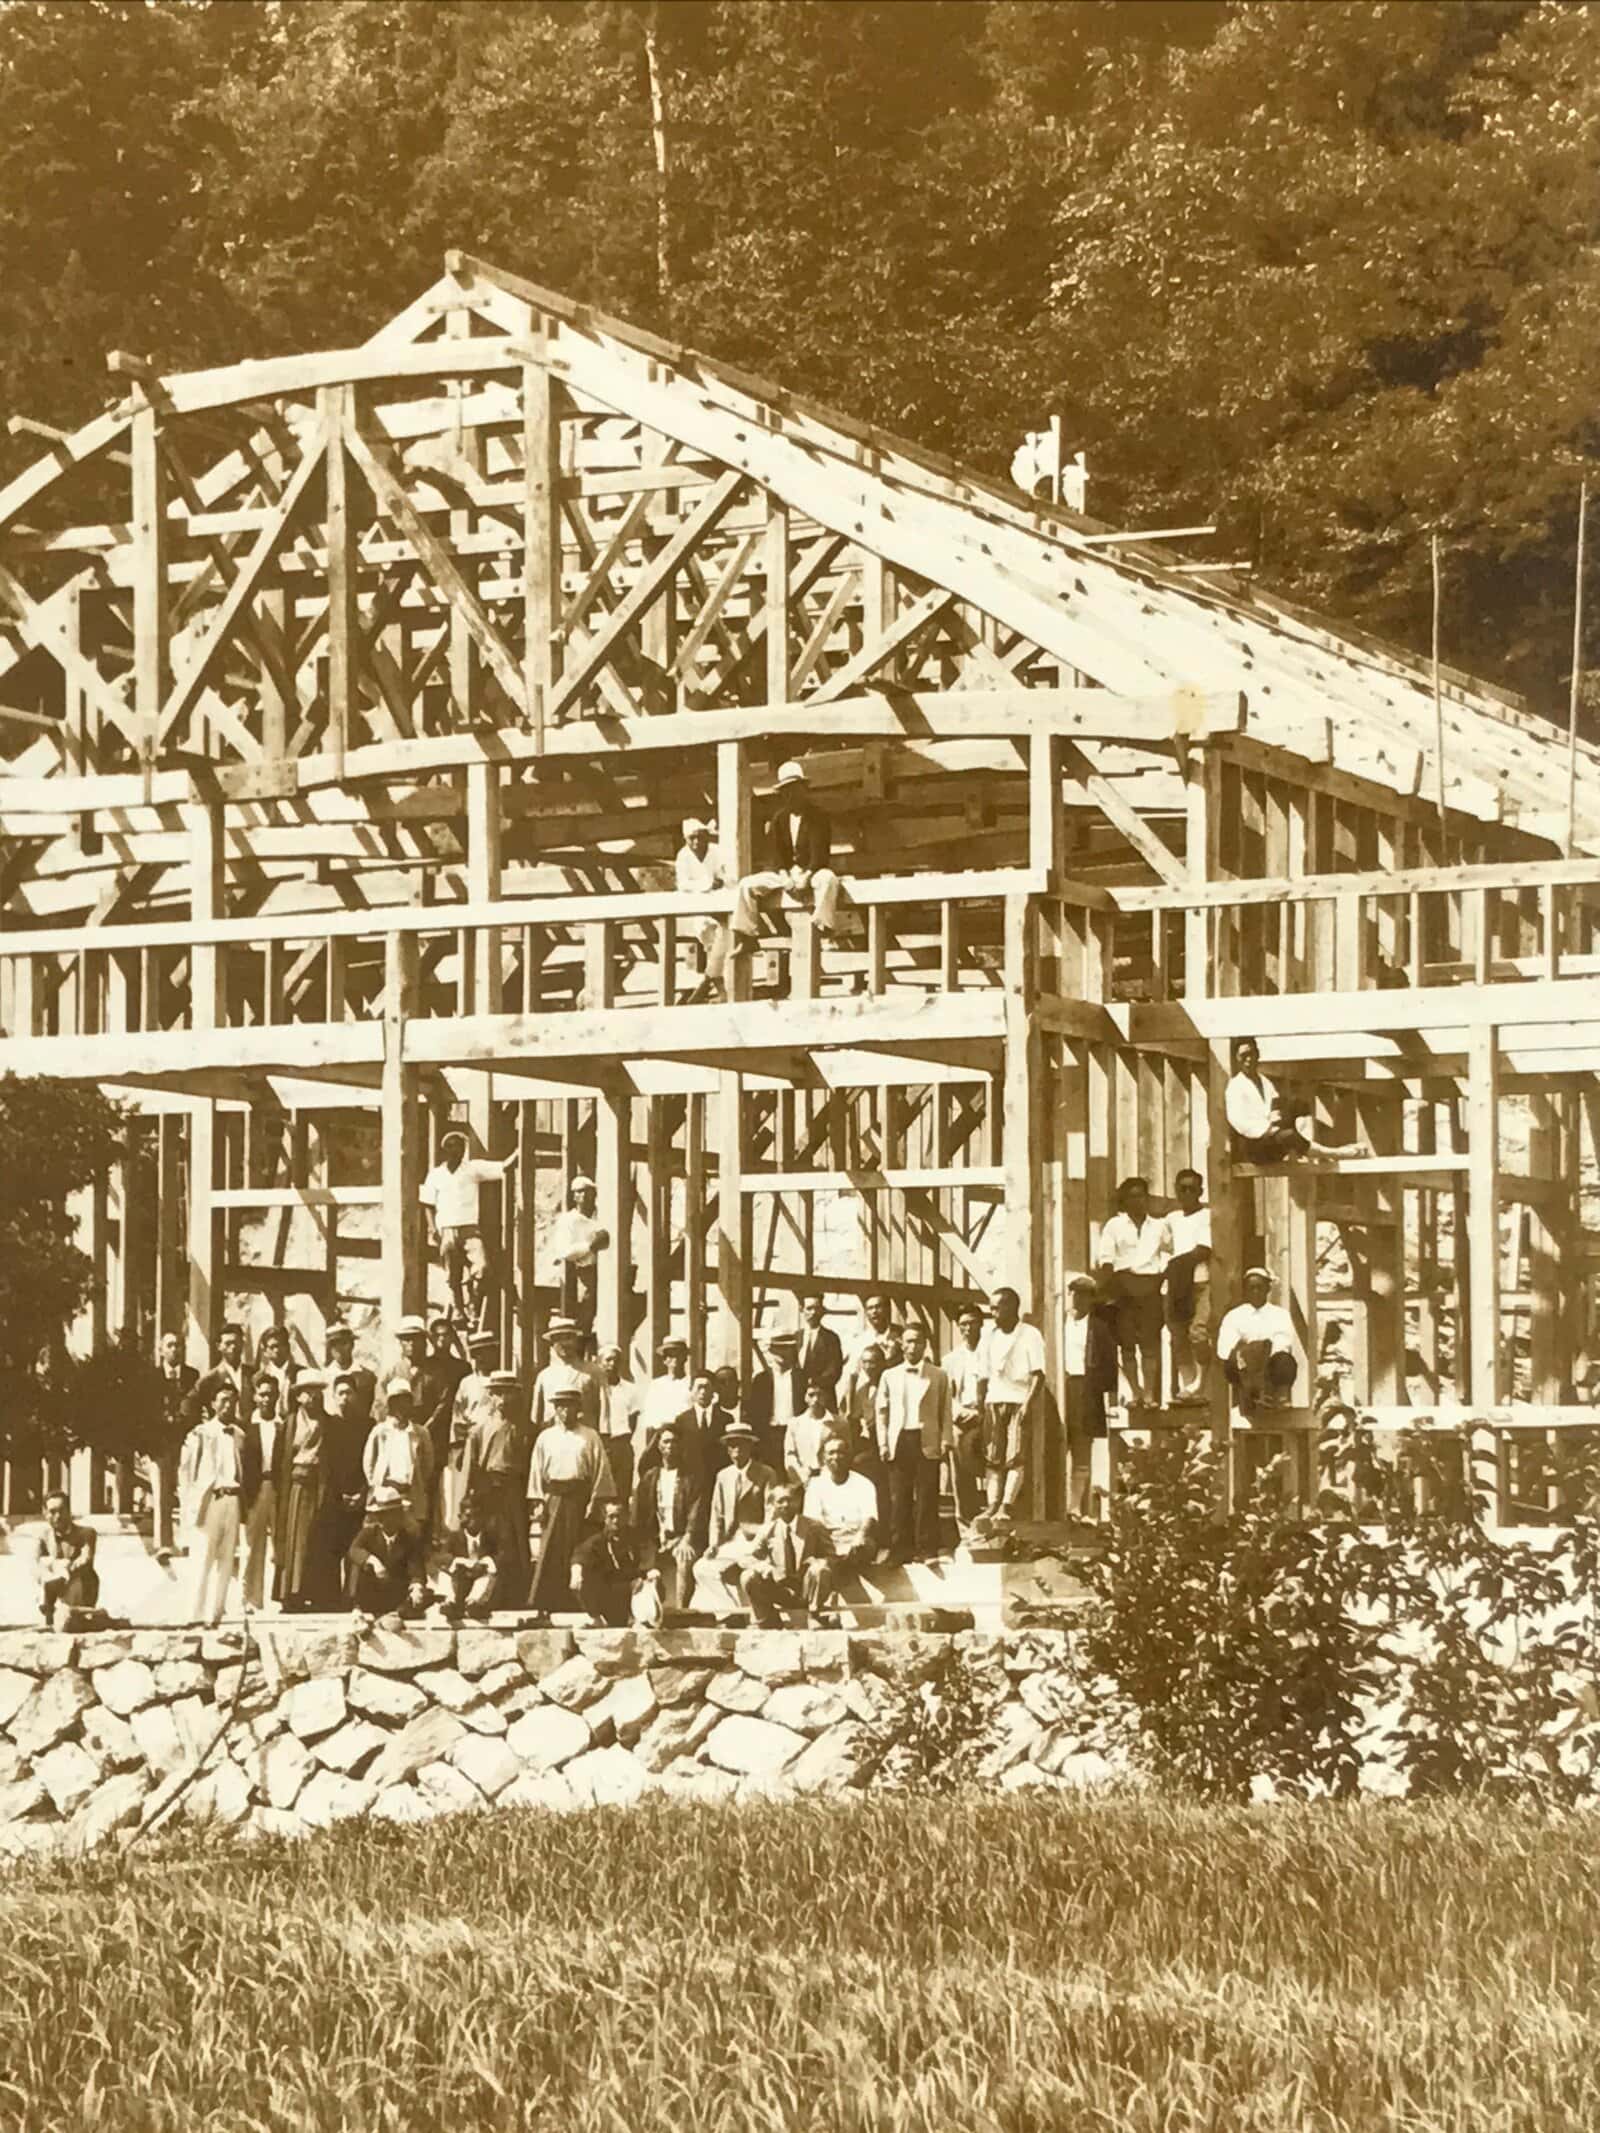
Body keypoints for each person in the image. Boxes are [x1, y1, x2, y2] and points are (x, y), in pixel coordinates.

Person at [728, 759, 843, 957]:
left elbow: (820, 855)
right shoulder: (779, 819)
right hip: (786, 875)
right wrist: (785, 878)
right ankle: (747, 937)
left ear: (803, 790)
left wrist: (806, 877)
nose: (790, 796)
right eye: (786, 791)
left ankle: (823, 929)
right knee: (746, 885)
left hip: (811, 872)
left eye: (794, 790)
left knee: (829, 879)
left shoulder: (818, 816)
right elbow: (775, 856)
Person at [527, 1383, 614, 1612]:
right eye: (561, 1406)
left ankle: (579, 1602)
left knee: (579, 1548)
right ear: (555, 1409)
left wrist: (595, 1502)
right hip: (554, 1499)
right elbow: (536, 1471)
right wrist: (538, 1501)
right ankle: (549, 1603)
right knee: (552, 1550)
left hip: (580, 1500)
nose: (565, 1411)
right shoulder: (545, 1437)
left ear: (578, 1408)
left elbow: (601, 1471)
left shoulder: (590, 1436)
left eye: (570, 1406)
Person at [420, 1127, 517, 1323]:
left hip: (470, 1229)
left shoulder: (472, 1169)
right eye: (452, 1146)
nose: (457, 1150)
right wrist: (432, 1228)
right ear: (445, 1149)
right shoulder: (435, 1175)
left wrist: (519, 1150)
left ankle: (473, 1303)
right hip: (446, 1230)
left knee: (482, 1268)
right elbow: (427, 1204)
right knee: (452, 1275)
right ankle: (458, 1310)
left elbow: (504, 1167)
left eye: (461, 1146)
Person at [1095, 1175, 1174, 1410]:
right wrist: (1111, 1288)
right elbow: (1106, 1258)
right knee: (1127, 1344)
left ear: (1146, 1198)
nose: (1136, 1201)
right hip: (1124, 1286)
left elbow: (1170, 1251)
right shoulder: (1114, 1225)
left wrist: (1162, 1276)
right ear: (1124, 1200)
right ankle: (1135, 1392)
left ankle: (1149, 1394)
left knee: (1149, 1344)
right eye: (1131, 1197)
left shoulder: (1159, 1226)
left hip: (1150, 1286)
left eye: (1140, 1196)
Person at [876, 1321, 952, 1563]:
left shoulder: (938, 1375)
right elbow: (882, 1412)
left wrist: (946, 1439)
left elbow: (945, 1411)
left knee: (927, 1496)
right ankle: (900, 1549)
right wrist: (883, 1443)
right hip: (899, 1440)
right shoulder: (889, 1375)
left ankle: (926, 1549)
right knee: (900, 1496)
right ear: (901, 1344)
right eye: (908, 1341)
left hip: (926, 1439)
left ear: (925, 1344)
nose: (912, 1346)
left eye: (917, 1341)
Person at [180, 1379, 250, 1626]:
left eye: (232, 1401)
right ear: (212, 1404)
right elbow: (186, 1472)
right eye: (223, 1400)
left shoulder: (240, 1434)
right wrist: (190, 1506)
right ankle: (194, 1614)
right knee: (203, 1556)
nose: (228, 1405)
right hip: (211, 1500)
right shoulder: (200, 1433)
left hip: (233, 1500)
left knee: (227, 1559)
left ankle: (214, 1614)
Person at [459, 1370, 533, 1605]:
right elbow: (471, 1467)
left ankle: (518, 1595)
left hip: (516, 1489)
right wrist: (467, 1497)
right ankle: (487, 1594)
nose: (503, 1399)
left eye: (508, 1393)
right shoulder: (480, 1429)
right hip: (488, 1490)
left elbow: (532, 1466)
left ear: (516, 1395)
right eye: (497, 1393)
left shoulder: (526, 1428)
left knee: (517, 1540)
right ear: (490, 1396)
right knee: (491, 1540)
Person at [978, 1287, 1046, 1522]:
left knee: (1015, 1456)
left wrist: (1028, 1404)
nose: (993, 1313)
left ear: (1011, 1307)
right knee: (992, 1456)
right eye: (991, 1308)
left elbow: (1038, 1374)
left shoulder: (1030, 1334)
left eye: (997, 1308)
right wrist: (981, 1405)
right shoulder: (989, 1336)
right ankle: (992, 1505)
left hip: (1018, 1400)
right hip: (993, 1401)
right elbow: (982, 1375)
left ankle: (1006, 1506)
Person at [630, 1420, 708, 1618]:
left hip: (682, 1537)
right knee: (646, 1566)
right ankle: (649, 1614)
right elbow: (640, 1514)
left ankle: (681, 1611)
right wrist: (644, 1542)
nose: (670, 1446)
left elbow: (696, 1512)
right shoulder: (650, 1477)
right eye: (665, 1442)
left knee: (684, 1559)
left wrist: (687, 1539)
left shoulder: (691, 1478)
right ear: (659, 1445)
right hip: (656, 1539)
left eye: (674, 1441)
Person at [800, 1434, 880, 1625]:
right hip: (829, 1540)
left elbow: (869, 1517)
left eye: (841, 1453)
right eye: (831, 1453)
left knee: (856, 1551)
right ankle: (822, 1610)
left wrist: (859, 1536)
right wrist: (830, 1546)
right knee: (821, 1566)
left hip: (857, 1538)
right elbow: (813, 1522)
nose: (836, 1457)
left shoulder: (863, 1483)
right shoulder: (816, 1486)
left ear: (850, 1456)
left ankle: (832, 1599)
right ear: (823, 1458)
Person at [706, 1421, 781, 1608]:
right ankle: (730, 1611)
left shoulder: (766, 1474)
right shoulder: (723, 1476)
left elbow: (772, 1515)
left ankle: (745, 1610)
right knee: (701, 1569)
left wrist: (759, 1543)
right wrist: (713, 1544)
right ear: (727, 1449)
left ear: (750, 1446)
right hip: (729, 1542)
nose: (736, 1449)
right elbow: (716, 1515)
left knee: (745, 1570)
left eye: (741, 1444)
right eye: (731, 1445)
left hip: (755, 1542)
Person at [1062, 1273, 1118, 1520]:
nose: (1079, 1299)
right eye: (1075, 1293)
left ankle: (1074, 1506)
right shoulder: (1059, 1324)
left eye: (1084, 1295)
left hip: (1086, 1388)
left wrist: (1108, 1396)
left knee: (1082, 1447)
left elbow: (1109, 1365)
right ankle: (1057, 1504)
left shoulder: (1099, 1328)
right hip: (1061, 1385)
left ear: (1091, 1299)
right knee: (1057, 1443)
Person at [273, 1372, 328, 1612]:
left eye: (317, 1392)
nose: (313, 1397)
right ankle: (291, 1594)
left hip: (319, 1485)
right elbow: (279, 1459)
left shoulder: (327, 1423)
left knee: (316, 1539)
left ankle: (314, 1593)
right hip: (295, 1485)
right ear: (298, 1396)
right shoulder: (290, 1423)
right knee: (295, 1540)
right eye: (308, 1392)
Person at [1216, 1267, 1299, 1413]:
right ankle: (1251, 1397)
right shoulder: (1234, 1315)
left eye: (1260, 1288)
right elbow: (1225, 1348)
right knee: (1242, 1358)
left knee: (1285, 1360)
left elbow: (1282, 1343)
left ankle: (1278, 1398)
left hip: (1269, 1364)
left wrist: (1262, 1353)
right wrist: (1250, 1352)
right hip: (1242, 1365)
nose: (1256, 1292)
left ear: (1268, 1289)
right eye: (1251, 1288)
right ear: (1246, 1290)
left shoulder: (1280, 1315)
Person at [443, 1329, 500, 1534]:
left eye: (486, 1352)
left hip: (495, 1443)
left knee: (492, 1492)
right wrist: (459, 1448)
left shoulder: (500, 1379)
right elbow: (458, 1416)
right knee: (468, 1492)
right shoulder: (467, 1383)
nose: (481, 1357)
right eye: (477, 1353)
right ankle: (464, 1536)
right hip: (471, 1444)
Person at [1225, 1038, 1314, 1163]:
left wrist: (1277, 1115)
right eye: (1244, 1055)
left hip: (1271, 1140)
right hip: (1253, 1146)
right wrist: (1267, 1130)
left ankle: (1304, 1151)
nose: (1249, 1059)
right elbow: (1238, 1121)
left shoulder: (1265, 1082)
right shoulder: (1235, 1086)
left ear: (1258, 1055)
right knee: (1288, 1135)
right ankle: (1327, 1153)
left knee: (1300, 1105)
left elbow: (1275, 1104)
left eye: (1252, 1054)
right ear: (1237, 1058)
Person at [363, 1378, 436, 1531]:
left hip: (410, 1493)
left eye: (405, 1401)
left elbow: (428, 1466)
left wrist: (416, 1483)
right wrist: (377, 1485)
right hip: (385, 1492)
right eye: (397, 1402)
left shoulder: (420, 1433)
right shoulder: (380, 1431)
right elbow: (369, 1463)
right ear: (390, 1405)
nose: (401, 1407)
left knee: (411, 1534)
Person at [344, 1485, 426, 1620]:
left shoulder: (409, 1539)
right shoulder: (369, 1533)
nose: (380, 1519)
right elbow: (354, 1550)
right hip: (369, 1596)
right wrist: (373, 1561)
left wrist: (416, 1587)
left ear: (399, 1515)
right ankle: (356, 1607)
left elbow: (416, 1571)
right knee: (358, 1564)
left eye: (385, 1514)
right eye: (378, 1514)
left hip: (395, 1595)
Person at [942, 1302, 989, 1525]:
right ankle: (965, 1521)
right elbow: (947, 1395)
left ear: (981, 1324)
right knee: (959, 1462)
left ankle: (991, 1518)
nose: (967, 1329)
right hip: (962, 1416)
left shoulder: (990, 1353)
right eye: (963, 1325)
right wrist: (959, 1412)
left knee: (993, 1465)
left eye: (972, 1323)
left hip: (987, 1415)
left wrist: (982, 1412)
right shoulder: (951, 1359)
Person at [738, 1480, 808, 1627]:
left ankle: (817, 1618)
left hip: (806, 1590)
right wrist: (764, 1567)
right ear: (774, 1505)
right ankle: (767, 1621)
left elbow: (829, 1557)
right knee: (748, 1576)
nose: (785, 1505)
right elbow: (746, 1558)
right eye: (780, 1501)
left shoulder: (813, 1528)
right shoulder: (768, 1530)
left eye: (789, 1500)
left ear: (798, 1501)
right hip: (781, 1589)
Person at [674, 816, 730, 1001]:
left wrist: (719, 881)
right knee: (704, 930)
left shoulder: (716, 851)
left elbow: (724, 874)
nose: (697, 842)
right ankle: (716, 984)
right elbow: (683, 884)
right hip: (697, 906)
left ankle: (710, 981)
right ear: (686, 839)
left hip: (718, 902)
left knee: (724, 933)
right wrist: (706, 884)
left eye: (700, 837)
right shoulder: (683, 856)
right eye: (692, 838)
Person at [241, 1374, 282, 1611]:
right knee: (252, 1546)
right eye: (263, 1394)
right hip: (255, 1490)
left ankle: (279, 1599)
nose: (267, 1399)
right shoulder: (246, 1425)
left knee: (280, 1545)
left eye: (271, 1394)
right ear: (255, 1396)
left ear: (278, 1396)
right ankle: (250, 1599)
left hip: (277, 1489)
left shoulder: (283, 1424)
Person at [549, 1175, 610, 1330]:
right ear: (574, 1196)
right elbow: (564, 1251)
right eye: (579, 1192)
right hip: (585, 1271)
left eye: (588, 1192)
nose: (584, 1196)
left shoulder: (604, 1216)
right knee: (588, 1309)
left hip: (608, 1269)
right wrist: (589, 1246)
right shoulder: (568, 1220)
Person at [394, 1315, 457, 1464]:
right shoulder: (392, 1372)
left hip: (432, 1437)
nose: (411, 1344)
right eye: (406, 1339)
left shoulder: (436, 1371)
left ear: (424, 1342)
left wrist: (425, 1429)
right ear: (400, 1343)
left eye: (416, 1339)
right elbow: (381, 1405)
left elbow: (444, 1403)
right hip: (400, 1437)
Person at [571, 1499, 639, 1628]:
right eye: (611, 1517)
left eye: (619, 1516)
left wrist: (650, 1572)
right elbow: (581, 1554)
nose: (616, 1521)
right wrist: (576, 1571)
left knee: (650, 1581)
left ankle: (638, 1619)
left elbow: (647, 1562)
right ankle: (597, 1620)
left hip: (632, 1593)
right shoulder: (598, 1541)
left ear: (627, 1516)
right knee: (583, 1580)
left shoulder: (635, 1538)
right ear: (605, 1518)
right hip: (609, 1595)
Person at [33, 1491, 98, 1626]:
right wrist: (52, 1571)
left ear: (69, 1511)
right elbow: (36, 1565)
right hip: (52, 1587)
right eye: (52, 1512)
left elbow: (85, 1560)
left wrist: (64, 1570)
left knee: (66, 1622)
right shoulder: (43, 1536)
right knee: (44, 1570)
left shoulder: (86, 1533)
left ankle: (75, 1614)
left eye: (61, 1511)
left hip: (79, 1587)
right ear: (45, 1514)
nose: (57, 1516)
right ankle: (48, 1614)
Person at [746, 1328, 806, 1471]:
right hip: (769, 1434)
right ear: (771, 1351)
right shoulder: (761, 1380)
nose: (782, 1354)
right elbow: (754, 1413)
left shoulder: (801, 1378)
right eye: (778, 1349)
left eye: (787, 1349)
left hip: (795, 1433)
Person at [531, 1317, 599, 1435]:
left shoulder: (592, 1372)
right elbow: (536, 1418)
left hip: (585, 1438)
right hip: (554, 1439)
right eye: (558, 1339)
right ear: (551, 1343)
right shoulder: (544, 1376)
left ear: (576, 1340)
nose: (564, 1343)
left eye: (568, 1338)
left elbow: (605, 1412)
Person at [593, 1343, 641, 1506]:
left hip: (621, 1445)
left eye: (616, 1360)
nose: (612, 1364)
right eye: (608, 1360)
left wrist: (621, 1442)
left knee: (622, 1494)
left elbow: (633, 1420)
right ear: (599, 1362)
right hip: (599, 1445)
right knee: (599, 1495)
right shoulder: (594, 1388)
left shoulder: (630, 1390)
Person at [438, 1503, 503, 1619]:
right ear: (460, 1517)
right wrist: (459, 1561)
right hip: (461, 1580)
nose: (473, 1520)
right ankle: (449, 1603)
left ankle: (474, 1604)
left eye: (477, 1516)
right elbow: (442, 1557)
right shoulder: (454, 1537)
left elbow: (501, 1555)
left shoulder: (490, 1538)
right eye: (468, 1516)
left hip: (480, 1579)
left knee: (490, 1576)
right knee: (443, 1574)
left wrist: (487, 1562)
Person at [840, 1294, 899, 1404]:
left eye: (878, 1307)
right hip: (867, 1399)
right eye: (870, 1308)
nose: (874, 1311)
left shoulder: (899, 1336)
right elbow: (852, 1375)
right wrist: (849, 1407)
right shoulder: (861, 1340)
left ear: (887, 1309)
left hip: (894, 1396)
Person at [638, 1334, 692, 1451]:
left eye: (678, 1354)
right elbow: (650, 1420)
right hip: (662, 1439)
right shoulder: (656, 1385)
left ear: (685, 1357)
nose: (674, 1359)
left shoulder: (691, 1383)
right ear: (664, 1360)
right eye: (670, 1355)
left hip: (685, 1439)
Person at [784, 1378, 840, 1487]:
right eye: (811, 1395)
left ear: (826, 1397)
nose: (816, 1399)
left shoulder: (839, 1424)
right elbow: (790, 1455)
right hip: (803, 1481)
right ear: (805, 1397)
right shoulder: (794, 1424)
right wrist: (802, 1476)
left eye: (820, 1395)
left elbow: (846, 1454)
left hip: (831, 1481)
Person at [323, 1322, 377, 1432]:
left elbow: (372, 1409)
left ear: (352, 1345)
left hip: (359, 1431)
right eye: (334, 1344)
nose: (339, 1349)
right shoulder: (323, 1377)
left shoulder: (367, 1377)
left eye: (343, 1343)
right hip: (331, 1432)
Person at [796, 1294, 844, 1402]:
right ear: (801, 1309)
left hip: (822, 1397)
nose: (813, 1312)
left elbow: (834, 1369)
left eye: (817, 1308)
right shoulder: (796, 1337)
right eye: (809, 1308)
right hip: (798, 1398)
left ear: (822, 1310)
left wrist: (813, 1383)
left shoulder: (831, 1338)